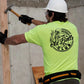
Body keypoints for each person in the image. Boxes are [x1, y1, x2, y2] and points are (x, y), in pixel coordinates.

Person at [0, 0, 81, 84]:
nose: (46, 15)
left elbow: (16, 40)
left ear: (52, 14)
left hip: (54, 81)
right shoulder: (72, 28)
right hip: (73, 79)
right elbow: (49, 26)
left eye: (47, 12)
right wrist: (31, 20)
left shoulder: (42, 30)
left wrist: (5, 40)